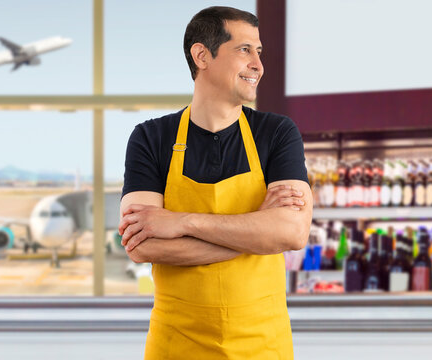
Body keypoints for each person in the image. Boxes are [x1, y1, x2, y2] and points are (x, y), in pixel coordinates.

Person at [119, 6, 312, 359]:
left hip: (262, 345)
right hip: (177, 344)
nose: (258, 64)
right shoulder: (151, 138)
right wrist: (256, 234)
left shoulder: (278, 133)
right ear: (202, 55)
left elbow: (291, 234)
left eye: (259, 52)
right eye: (244, 50)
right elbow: (141, 246)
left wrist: (182, 222)